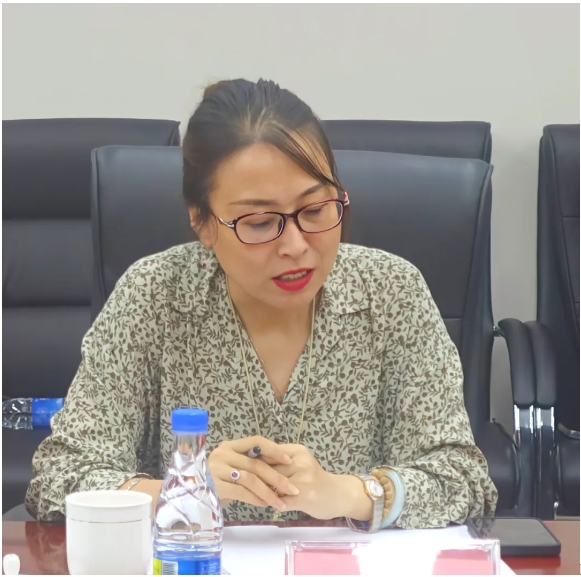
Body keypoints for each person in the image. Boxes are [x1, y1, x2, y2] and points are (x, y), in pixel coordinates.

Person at [26, 78, 497, 531]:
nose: (295, 246)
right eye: (259, 222)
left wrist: (349, 493)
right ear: (202, 222)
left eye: (316, 210)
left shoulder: (391, 291)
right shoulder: (154, 295)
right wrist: (185, 488)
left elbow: (464, 479)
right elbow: (59, 477)